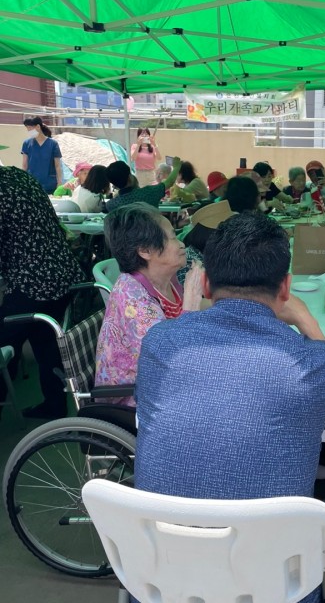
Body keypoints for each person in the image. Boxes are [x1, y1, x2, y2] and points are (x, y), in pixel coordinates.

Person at [133, 213, 325, 603]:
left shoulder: (161, 345)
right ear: (285, 286)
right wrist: (306, 321)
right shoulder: (313, 363)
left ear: (205, 281)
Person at [95, 203, 203, 405]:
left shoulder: (166, 280)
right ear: (145, 250)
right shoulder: (132, 298)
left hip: (164, 384)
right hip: (134, 398)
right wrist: (192, 301)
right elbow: (172, 360)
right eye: (173, 237)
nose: (181, 244)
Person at [0, 166, 84, 418]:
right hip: (60, 272)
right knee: (46, 343)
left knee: (5, 343)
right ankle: (55, 406)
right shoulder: (19, 176)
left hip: (33, 281)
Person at [105, 158, 180, 211]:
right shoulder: (149, 192)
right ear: (130, 178)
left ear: (114, 185)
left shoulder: (111, 205)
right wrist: (177, 167)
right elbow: (169, 182)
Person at [21, 116, 63, 193]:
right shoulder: (26, 143)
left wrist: (59, 183)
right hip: (32, 185)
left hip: (50, 185)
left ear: (38, 126)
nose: (28, 130)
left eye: (30, 128)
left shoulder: (53, 144)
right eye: (27, 128)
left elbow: (57, 166)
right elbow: (24, 165)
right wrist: (22, 182)